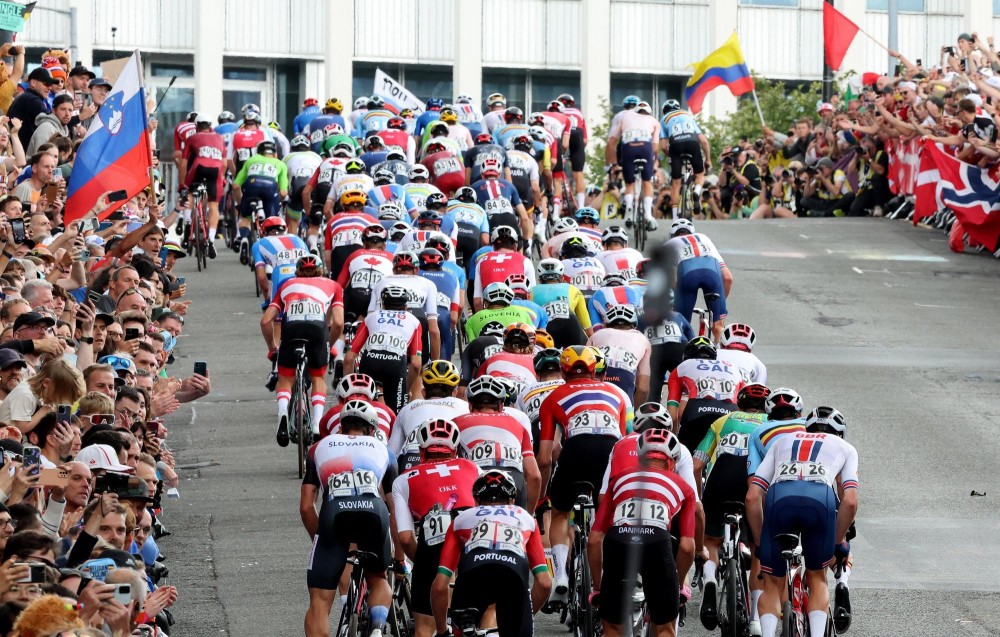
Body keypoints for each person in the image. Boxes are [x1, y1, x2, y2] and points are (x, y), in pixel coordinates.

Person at [747, 407, 859, 637]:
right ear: (839, 433)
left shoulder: (783, 441)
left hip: (780, 499)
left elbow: (752, 495)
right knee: (817, 577)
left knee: (771, 583)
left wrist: (760, 540)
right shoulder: (846, 448)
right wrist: (836, 541)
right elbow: (849, 502)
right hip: (820, 500)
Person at [537, 346, 628, 601]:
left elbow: (545, 458)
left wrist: (543, 497)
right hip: (611, 452)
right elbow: (621, 441)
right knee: (608, 515)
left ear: (564, 371)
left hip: (575, 451)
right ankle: (609, 574)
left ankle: (561, 577)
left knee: (560, 513)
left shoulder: (554, 396)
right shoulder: (616, 394)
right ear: (593, 369)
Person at [300, 400, 396, 637]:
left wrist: (323, 539)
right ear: (373, 430)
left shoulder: (319, 447)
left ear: (340, 428)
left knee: (319, 602)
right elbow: (394, 508)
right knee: (378, 577)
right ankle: (377, 628)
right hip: (374, 513)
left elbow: (306, 507)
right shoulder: (384, 449)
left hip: (335, 515)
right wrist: (399, 555)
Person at [589, 429, 697, 637]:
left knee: (612, 627)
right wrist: (677, 585)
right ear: (673, 461)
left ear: (639, 457)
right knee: (665, 627)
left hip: (619, 541)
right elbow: (686, 546)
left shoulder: (619, 480)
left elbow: (594, 541)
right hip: (657, 543)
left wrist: (598, 588)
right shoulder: (684, 487)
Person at [431, 470, 552, 637]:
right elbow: (545, 583)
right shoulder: (526, 519)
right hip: (512, 579)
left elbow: (439, 586)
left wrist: (442, 631)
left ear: (477, 500)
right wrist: (524, 616)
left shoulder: (461, 519)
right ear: (512, 500)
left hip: (470, 582)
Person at [692, 383, 770, 632]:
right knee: (760, 548)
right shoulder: (770, 424)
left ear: (739, 403)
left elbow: (696, 465)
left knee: (711, 541)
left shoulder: (722, 421)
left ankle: (711, 578)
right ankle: (757, 619)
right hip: (752, 483)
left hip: (720, 481)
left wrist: (700, 497)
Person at [390, 418, 478, 637]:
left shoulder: (404, 480)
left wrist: (423, 562)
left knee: (424, 626)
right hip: (474, 538)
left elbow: (406, 538)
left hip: (433, 541)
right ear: (455, 450)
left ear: (421, 451)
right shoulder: (472, 467)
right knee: (486, 614)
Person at [260, 255, 344, 446]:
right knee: (317, 377)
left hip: (292, 327)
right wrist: (328, 346)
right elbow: (338, 322)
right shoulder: (333, 285)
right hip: (317, 328)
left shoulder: (287, 284)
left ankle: (282, 414)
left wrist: (272, 348)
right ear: (321, 270)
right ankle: (316, 424)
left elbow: (265, 321)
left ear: (298, 271)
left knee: (285, 378)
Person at [346, 285, 423, 414]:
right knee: (395, 415)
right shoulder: (414, 321)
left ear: (382, 305)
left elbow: (349, 358)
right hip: (396, 364)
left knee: (361, 410)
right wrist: (405, 390)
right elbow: (416, 364)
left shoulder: (371, 317)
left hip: (370, 361)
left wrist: (349, 390)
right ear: (406, 307)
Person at [387, 360, 468, 472]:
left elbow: (392, 454)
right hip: (451, 463)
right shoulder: (465, 406)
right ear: (455, 393)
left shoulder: (408, 408)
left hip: (413, 462)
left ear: (424, 392)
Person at [665, 336, 743, 452]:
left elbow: (672, 413)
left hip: (697, 413)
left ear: (686, 356)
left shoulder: (681, 368)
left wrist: (674, 438)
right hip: (729, 415)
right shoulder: (733, 368)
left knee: (684, 457)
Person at [663, 219, 732, 342]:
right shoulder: (704, 238)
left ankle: (685, 356)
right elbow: (727, 277)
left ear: (672, 235)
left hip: (687, 276)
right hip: (712, 274)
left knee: (681, 325)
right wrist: (720, 303)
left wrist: (677, 299)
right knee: (718, 327)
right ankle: (719, 353)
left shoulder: (669, 244)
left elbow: (669, 280)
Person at [233, 140, 289, 264]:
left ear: (259, 152)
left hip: (252, 187)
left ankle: (244, 239)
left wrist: (240, 202)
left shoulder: (251, 160)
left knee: (245, 218)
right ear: (275, 154)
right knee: (271, 222)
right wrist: (276, 201)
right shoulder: (280, 164)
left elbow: (236, 185)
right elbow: (284, 193)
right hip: (270, 189)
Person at [586, 303, 651, 404]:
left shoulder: (596, 335)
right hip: (625, 378)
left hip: (598, 374)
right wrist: (634, 415)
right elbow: (643, 389)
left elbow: (584, 369)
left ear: (606, 325)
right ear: (634, 326)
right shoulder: (643, 339)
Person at [183, 112, 227, 257]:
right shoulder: (219, 138)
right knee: (213, 205)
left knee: (189, 192)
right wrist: (222, 177)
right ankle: (212, 239)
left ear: (196, 127)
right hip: (216, 170)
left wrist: (182, 184)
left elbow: (184, 163)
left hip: (198, 167)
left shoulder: (192, 137)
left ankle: (188, 221)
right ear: (210, 126)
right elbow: (224, 163)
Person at [658, 99, 711, 219]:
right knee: (700, 174)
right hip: (692, 143)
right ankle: (697, 192)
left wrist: (671, 155)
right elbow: (703, 141)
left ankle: (675, 221)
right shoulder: (688, 116)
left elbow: (664, 147)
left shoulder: (663, 119)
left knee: (676, 184)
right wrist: (708, 160)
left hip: (676, 145)